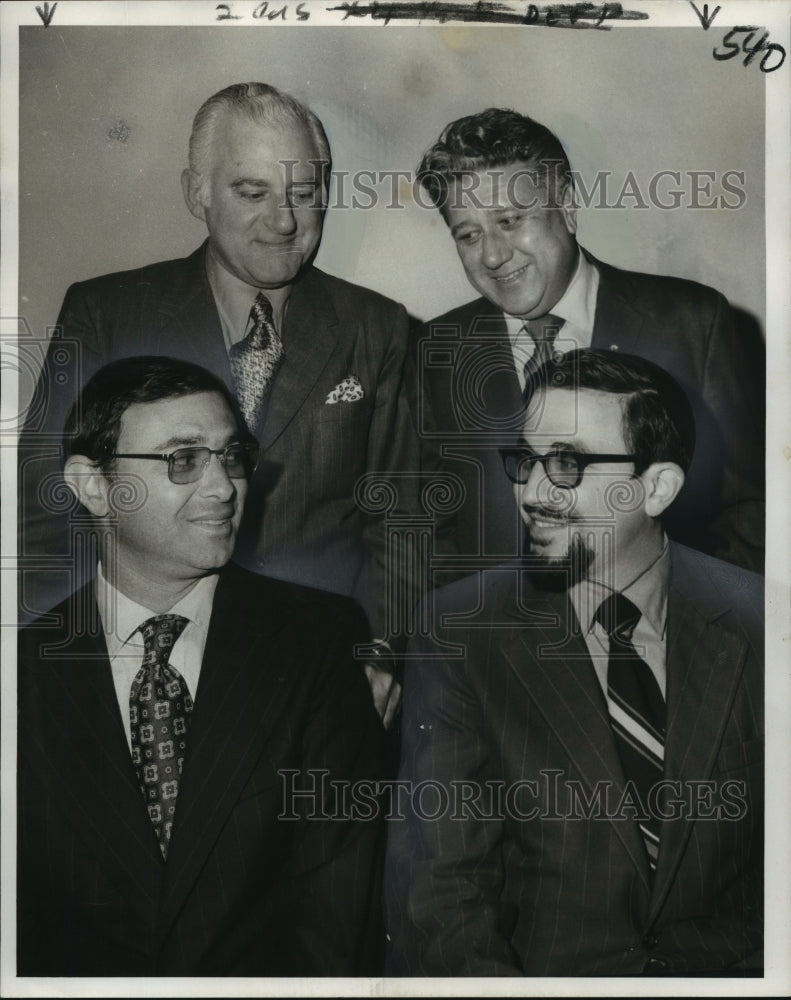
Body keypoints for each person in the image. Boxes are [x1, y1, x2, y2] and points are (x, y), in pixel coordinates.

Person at [18, 82, 429, 725]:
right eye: (252, 191)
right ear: (197, 193)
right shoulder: (107, 313)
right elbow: (46, 512)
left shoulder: (377, 328)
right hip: (142, 670)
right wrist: (52, 673)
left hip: (316, 674)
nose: (284, 220)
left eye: (302, 193)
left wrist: (377, 654)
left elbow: (402, 523)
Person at [385, 349, 763, 976]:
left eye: (566, 464)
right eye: (526, 460)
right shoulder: (462, 632)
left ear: (657, 487)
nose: (532, 492)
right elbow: (443, 894)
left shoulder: (761, 621)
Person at [18, 356, 385, 976]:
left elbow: (336, 909)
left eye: (232, 456)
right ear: (92, 484)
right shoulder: (20, 674)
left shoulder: (318, 641)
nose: (223, 488)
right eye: (183, 459)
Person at [414, 107, 764, 575]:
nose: (493, 255)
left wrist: (696, 637)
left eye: (510, 220)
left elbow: (751, 512)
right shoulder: (434, 352)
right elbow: (422, 535)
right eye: (469, 234)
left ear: (568, 207)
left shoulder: (692, 323)